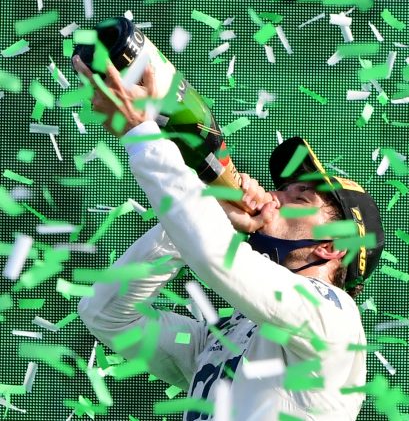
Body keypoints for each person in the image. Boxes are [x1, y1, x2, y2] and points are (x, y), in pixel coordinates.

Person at [72, 55, 385, 420]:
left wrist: (143, 136)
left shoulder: (335, 319)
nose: (275, 196)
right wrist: (209, 212)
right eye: (283, 189)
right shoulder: (228, 338)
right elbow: (107, 315)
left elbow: (215, 255)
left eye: (299, 198)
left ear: (330, 247)